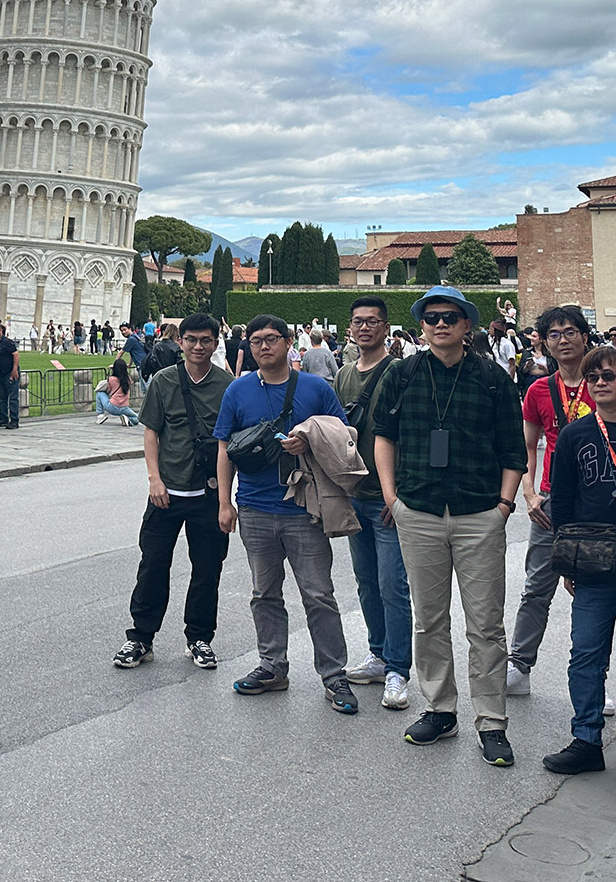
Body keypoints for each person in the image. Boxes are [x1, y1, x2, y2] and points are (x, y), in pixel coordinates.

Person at [372, 286, 527, 765]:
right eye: (432, 317)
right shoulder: (401, 375)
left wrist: (504, 505)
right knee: (429, 619)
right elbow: (383, 438)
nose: (441, 324)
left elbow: (513, 449)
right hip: (417, 511)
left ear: (467, 326)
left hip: (478, 512)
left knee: (486, 625)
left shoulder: (492, 378)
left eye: (451, 317)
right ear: (422, 325)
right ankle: (440, 708)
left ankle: (491, 721)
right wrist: (392, 499)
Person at [214, 313, 358, 714]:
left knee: (318, 594)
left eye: (271, 339)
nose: (263, 346)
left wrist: (308, 441)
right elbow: (224, 449)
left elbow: (344, 436)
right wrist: (225, 502)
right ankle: (272, 665)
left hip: (303, 507)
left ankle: (334, 675)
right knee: (264, 593)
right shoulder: (238, 391)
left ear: (287, 342)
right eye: (255, 340)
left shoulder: (314, 388)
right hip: (255, 507)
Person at [542, 346, 616, 777]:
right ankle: (586, 738)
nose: (599, 384)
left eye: (608, 377)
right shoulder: (575, 434)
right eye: (592, 378)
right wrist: (567, 563)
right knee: (587, 652)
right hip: (594, 561)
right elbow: (564, 501)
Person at [114, 314, 231, 670]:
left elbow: (229, 443)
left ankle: (199, 638)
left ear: (215, 343)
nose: (198, 347)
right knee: (152, 566)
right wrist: (154, 479)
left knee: (207, 569)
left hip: (207, 493)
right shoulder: (165, 381)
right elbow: (151, 432)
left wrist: (227, 500)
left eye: (205, 340)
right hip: (166, 492)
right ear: (180, 342)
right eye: (192, 339)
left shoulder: (227, 385)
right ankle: (141, 638)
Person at [508, 306, 601, 700]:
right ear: (543, 342)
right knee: (536, 588)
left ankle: (595, 674)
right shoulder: (538, 390)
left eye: (570, 331)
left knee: (593, 590)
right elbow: (526, 448)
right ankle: (519, 664)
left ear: (584, 336)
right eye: (554, 334)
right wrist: (528, 493)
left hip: (597, 503)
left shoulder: (605, 381)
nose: (563, 339)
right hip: (549, 502)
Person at [336, 297, 413, 710]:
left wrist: (397, 493)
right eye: (357, 321)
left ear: (386, 327)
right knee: (366, 582)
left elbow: (410, 434)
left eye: (372, 322)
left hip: (386, 499)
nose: (364, 328)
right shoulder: (345, 373)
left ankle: (399, 669)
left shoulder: (400, 372)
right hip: (353, 495)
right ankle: (379, 653)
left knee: (392, 585)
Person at [95, 356, 141, 424]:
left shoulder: (112, 379)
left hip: (113, 406)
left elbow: (108, 391)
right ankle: (128, 422)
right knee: (137, 418)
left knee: (99, 393)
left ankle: (100, 415)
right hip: (125, 407)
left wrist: (111, 368)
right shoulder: (128, 379)